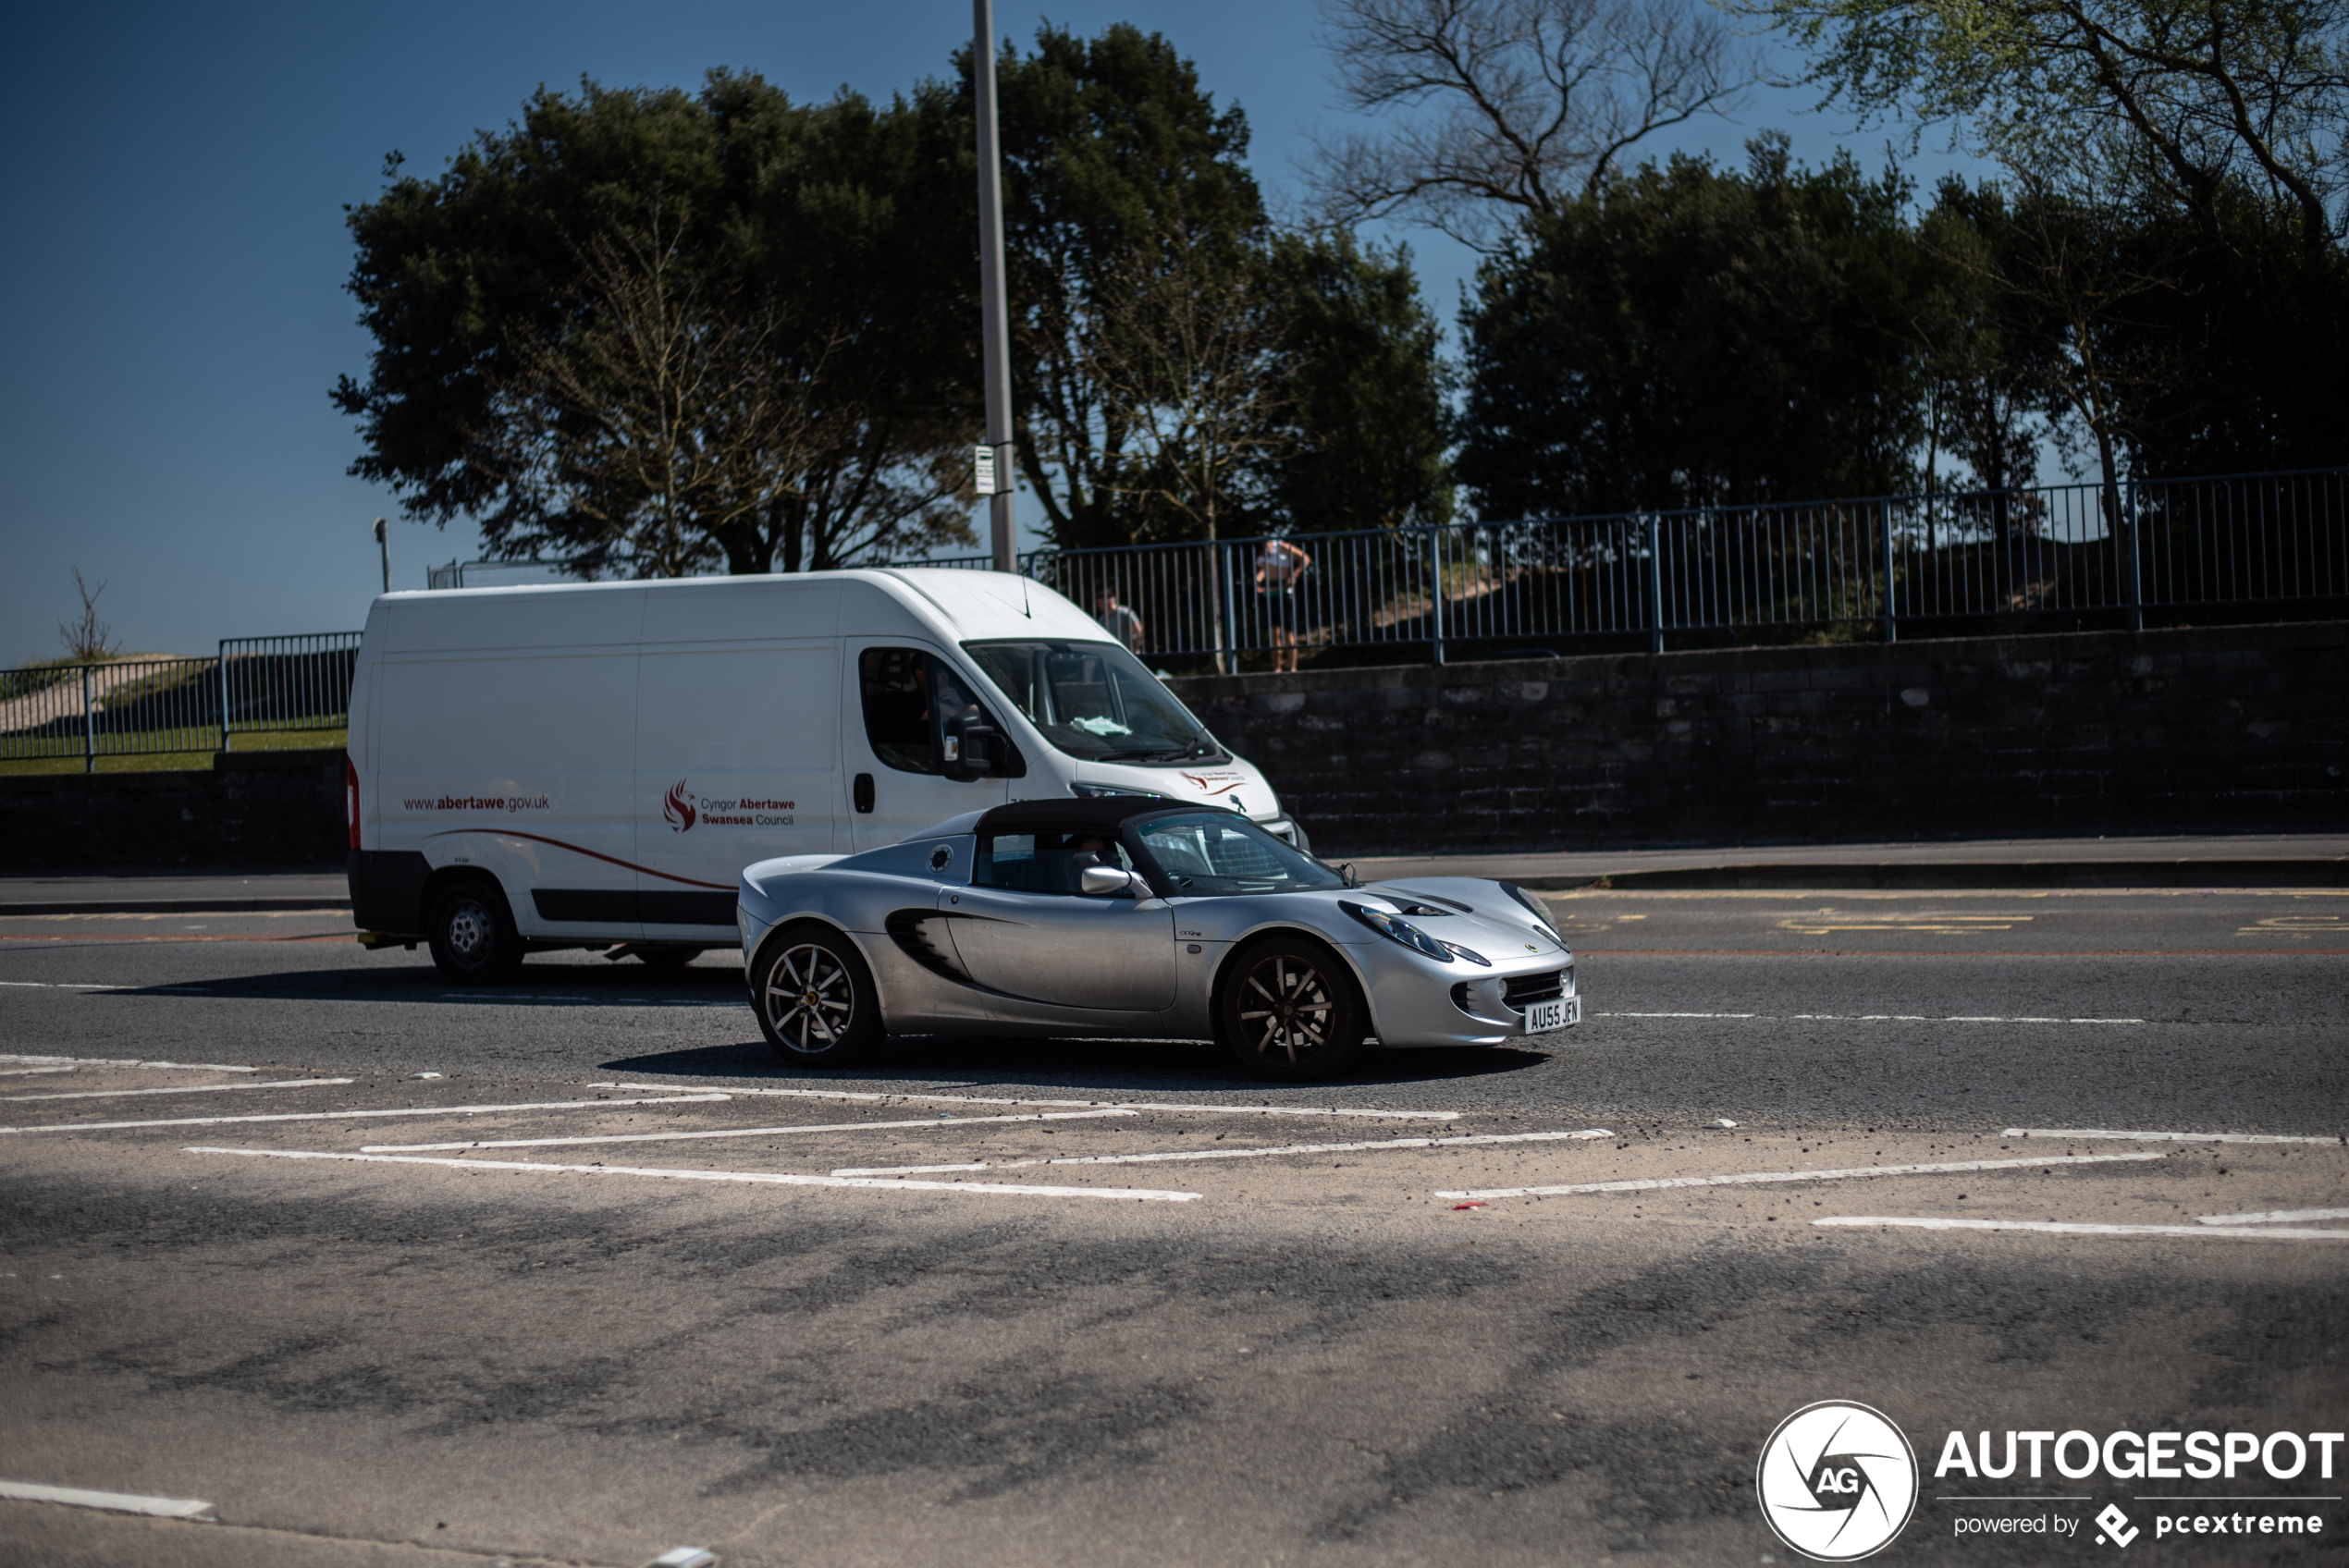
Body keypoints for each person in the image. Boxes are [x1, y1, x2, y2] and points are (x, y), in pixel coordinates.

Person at [1254, 538, 1311, 673]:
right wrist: (1257, 581)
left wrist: (1294, 575)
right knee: (1274, 633)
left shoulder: (1283, 547)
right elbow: (1263, 570)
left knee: (1288, 633)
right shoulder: (1263, 553)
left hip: (1284, 593)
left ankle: (1292, 668)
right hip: (1269, 594)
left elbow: (1306, 559)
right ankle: (1277, 669)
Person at [1092, 588, 1144, 655]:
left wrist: (1134, 650)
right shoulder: (1103, 619)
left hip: (1129, 653)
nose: (1098, 605)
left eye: (1101, 602)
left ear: (1109, 601)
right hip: (1113, 654)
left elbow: (1138, 631)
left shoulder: (1125, 613)